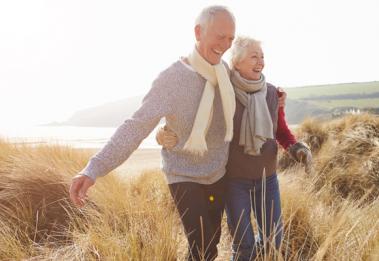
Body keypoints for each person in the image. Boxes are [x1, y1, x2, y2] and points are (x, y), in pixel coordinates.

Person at [70, 5, 237, 261]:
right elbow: (136, 126)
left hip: (218, 172)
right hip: (183, 173)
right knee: (202, 244)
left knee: (210, 244)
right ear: (198, 32)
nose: (225, 44)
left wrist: (276, 99)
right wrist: (94, 168)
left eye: (230, 39)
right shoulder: (171, 79)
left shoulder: (224, 72)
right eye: (220, 36)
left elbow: (250, 92)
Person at [157, 36, 312, 260]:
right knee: (243, 244)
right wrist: (163, 132)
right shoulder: (222, 92)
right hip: (234, 182)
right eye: (253, 56)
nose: (260, 61)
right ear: (236, 62)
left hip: (268, 180)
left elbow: (280, 131)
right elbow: (195, 118)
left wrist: (295, 147)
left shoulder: (271, 94)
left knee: (273, 240)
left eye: (262, 56)